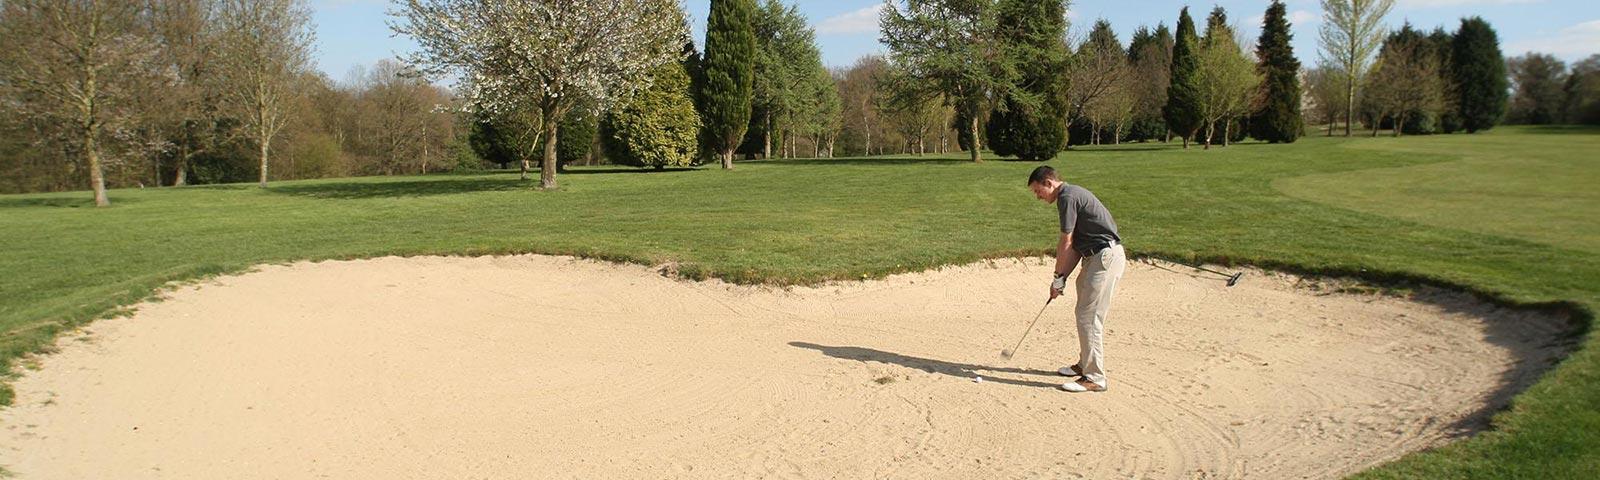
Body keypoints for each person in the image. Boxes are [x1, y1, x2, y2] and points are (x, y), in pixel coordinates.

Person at [1026, 166, 1125, 393]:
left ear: (1049, 182)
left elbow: (1066, 242)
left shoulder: (1067, 197)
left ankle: (1095, 377)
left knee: (1088, 316)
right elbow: (1076, 250)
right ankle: (1085, 365)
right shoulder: (1071, 195)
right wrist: (1060, 280)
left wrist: (1057, 277)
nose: (1037, 196)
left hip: (1104, 258)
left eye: (1038, 190)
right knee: (1085, 313)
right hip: (1095, 258)